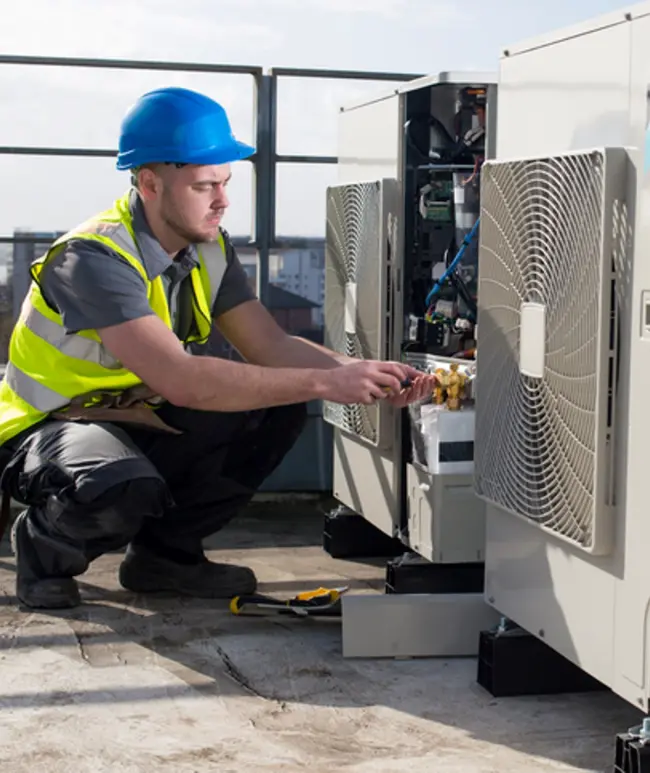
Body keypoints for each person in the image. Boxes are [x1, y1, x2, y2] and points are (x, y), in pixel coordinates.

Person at [0, 87, 435, 610]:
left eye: (226, 183)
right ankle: (45, 552)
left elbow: (268, 344)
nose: (223, 200)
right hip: (50, 425)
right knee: (118, 486)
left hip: (137, 416)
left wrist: (362, 372)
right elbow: (182, 380)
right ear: (150, 182)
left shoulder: (208, 248)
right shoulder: (94, 258)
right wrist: (329, 383)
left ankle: (166, 557)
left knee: (273, 412)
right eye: (205, 185)